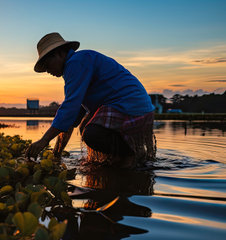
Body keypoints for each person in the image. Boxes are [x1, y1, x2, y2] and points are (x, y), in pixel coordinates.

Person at [25, 33, 156, 167]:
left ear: (58, 54)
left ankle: (128, 157)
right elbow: (71, 117)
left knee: (92, 134)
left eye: (47, 65)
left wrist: (44, 140)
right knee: (85, 125)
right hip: (138, 107)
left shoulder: (76, 62)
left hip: (130, 106)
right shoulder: (79, 65)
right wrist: (56, 155)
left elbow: (69, 107)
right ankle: (118, 161)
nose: (47, 70)